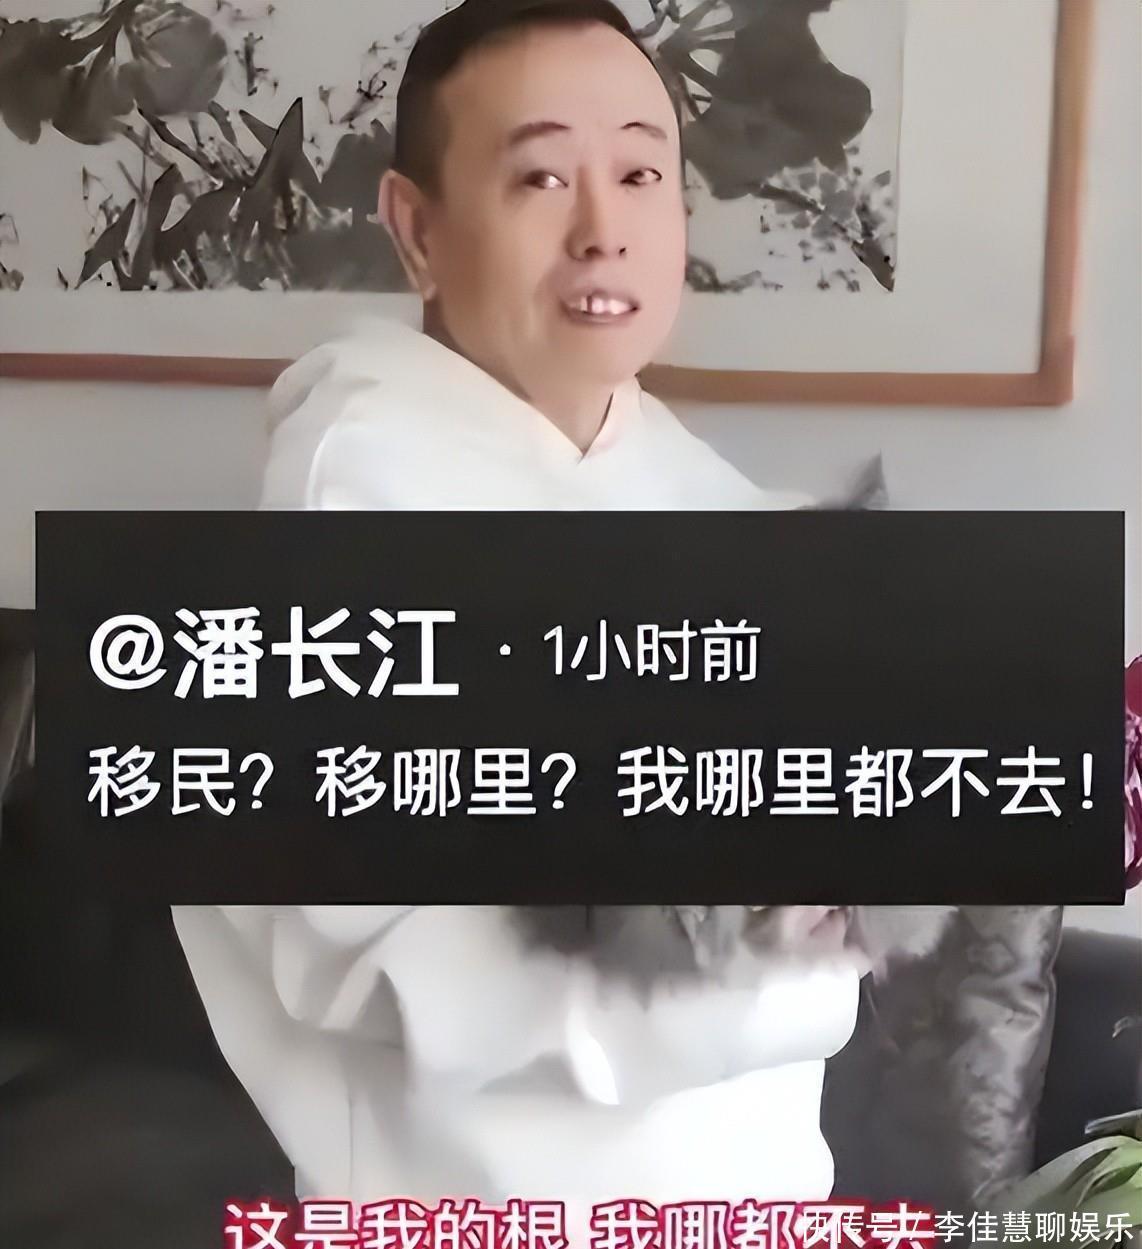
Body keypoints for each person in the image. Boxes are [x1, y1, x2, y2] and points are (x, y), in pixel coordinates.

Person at [172, 0, 869, 1225]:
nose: (603, 230)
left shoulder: (708, 491)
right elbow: (384, 953)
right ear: (417, 228)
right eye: (541, 176)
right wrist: (783, 971)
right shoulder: (354, 496)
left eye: (640, 174)